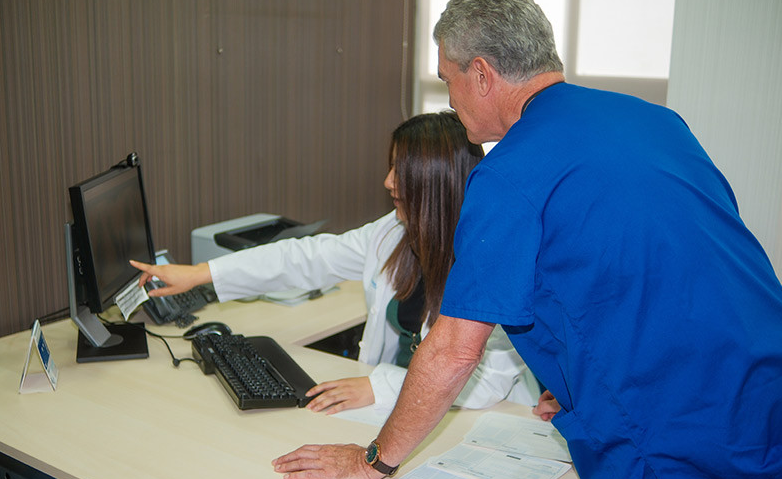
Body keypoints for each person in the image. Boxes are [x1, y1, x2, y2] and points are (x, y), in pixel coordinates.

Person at [271, 0, 782, 479]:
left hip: (694, 445)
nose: (450, 101)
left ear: (480, 74)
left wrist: (374, 460)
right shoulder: (654, 121)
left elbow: (456, 349)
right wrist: (577, 378)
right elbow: (680, 263)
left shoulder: (510, 173)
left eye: (447, 80)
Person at [132, 111, 540, 415]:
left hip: (479, 422)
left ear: (436, 182)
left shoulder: (492, 261)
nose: (388, 182)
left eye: (402, 171)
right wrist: (201, 274)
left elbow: (483, 386)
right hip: (391, 408)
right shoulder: (394, 234)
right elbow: (307, 257)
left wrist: (380, 385)